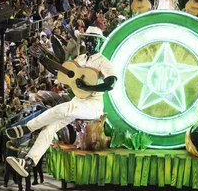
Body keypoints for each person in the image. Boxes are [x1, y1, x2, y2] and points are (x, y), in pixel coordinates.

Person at [7, 26, 117, 177]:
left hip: (93, 105)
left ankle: (27, 128)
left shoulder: (104, 62)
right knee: (50, 128)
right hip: (78, 100)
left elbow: (111, 84)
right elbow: (66, 75)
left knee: (62, 109)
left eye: (93, 40)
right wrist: (46, 61)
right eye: (88, 39)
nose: (90, 43)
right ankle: (29, 161)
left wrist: (89, 86)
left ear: (99, 42)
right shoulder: (80, 59)